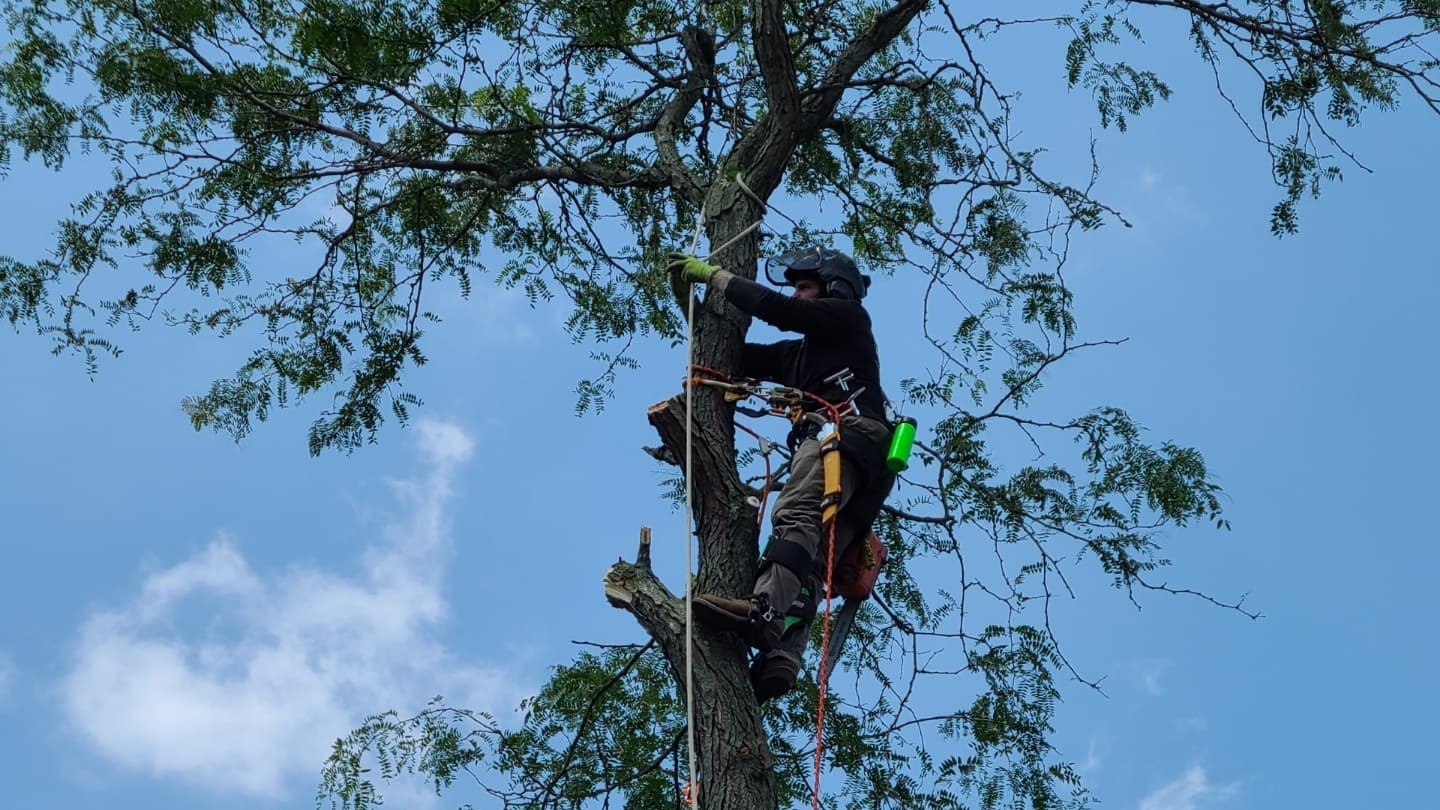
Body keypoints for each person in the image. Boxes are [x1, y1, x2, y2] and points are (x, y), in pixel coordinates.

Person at [668, 245, 897, 701]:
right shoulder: (797, 356)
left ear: (835, 287)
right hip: (863, 466)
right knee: (811, 559)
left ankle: (762, 611)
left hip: (846, 436)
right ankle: (782, 658)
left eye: (805, 286)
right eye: (795, 286)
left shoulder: (848, 320)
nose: (797, 293)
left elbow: (778, 309)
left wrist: (714, 276)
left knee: (794, 512)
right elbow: (733, 355)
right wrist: (689, 306)